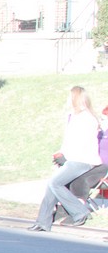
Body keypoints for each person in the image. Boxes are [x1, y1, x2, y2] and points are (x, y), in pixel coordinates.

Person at [28, 86, 103, 231]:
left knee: (54, 183)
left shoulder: (87, 118)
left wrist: (66, 158)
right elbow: (69, 141)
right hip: (73, 159)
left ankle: (80, 212)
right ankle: (43, 222)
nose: (68, 100)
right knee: (52, 184)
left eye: (70, 97)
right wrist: (61, 154)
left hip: (82, 160)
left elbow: (81, 143)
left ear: (76, 98)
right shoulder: (75, 117)